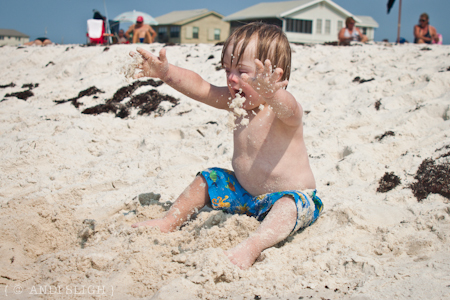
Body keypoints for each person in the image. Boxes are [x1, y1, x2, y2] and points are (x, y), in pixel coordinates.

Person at [129, 22, 323, 270]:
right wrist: (166, 73)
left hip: (291, 198)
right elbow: (200, 88)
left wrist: (272, 94)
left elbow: (290, 107)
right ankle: (169, 221)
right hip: (246, 196)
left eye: (242, 71)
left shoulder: (283, 112)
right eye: (227, 69)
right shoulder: (237, 103)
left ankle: (251, 247)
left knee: (289, 207)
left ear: (276, 76)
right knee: (207, 179)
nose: (231, 78)